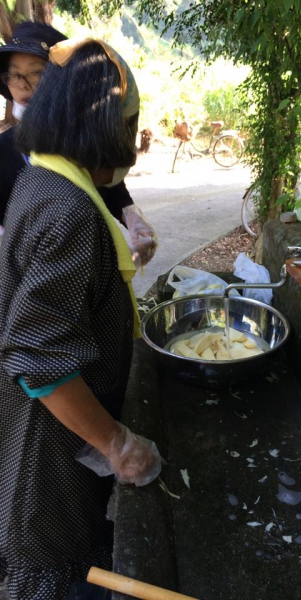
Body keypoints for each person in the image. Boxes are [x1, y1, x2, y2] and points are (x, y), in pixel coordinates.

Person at [0, 38, 162, 600]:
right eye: (128, 122)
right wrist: (118, 444)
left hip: (66, 448)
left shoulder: (48, 178)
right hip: (48, 462)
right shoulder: (65, 209)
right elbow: (42, 361)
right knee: (54, 574)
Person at [0, 21, 157, 266]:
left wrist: (131, 216)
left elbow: (107, 185)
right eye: (14, 73)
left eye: (36, 72)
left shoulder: (79, 144)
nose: (22, 84)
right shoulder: (3, 152)